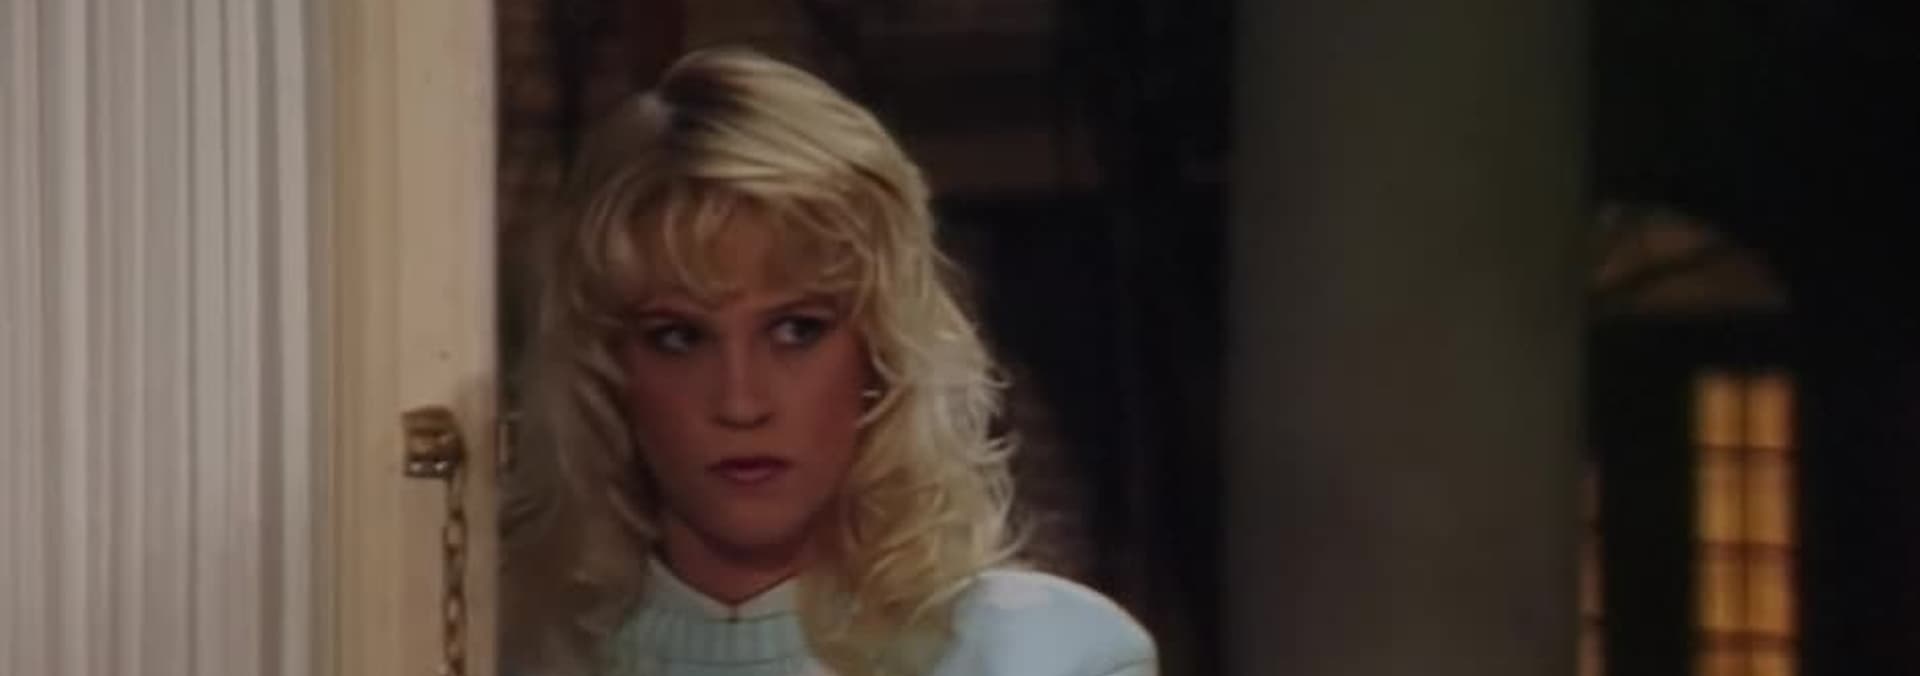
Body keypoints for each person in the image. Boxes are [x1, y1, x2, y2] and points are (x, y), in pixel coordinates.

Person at [500, 47, 1156, 676]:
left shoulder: (1049, 660)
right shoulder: (492, 653)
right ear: (607, 371)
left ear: (882, 349)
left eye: (796, 330)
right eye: (679, 337)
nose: (741, 402)